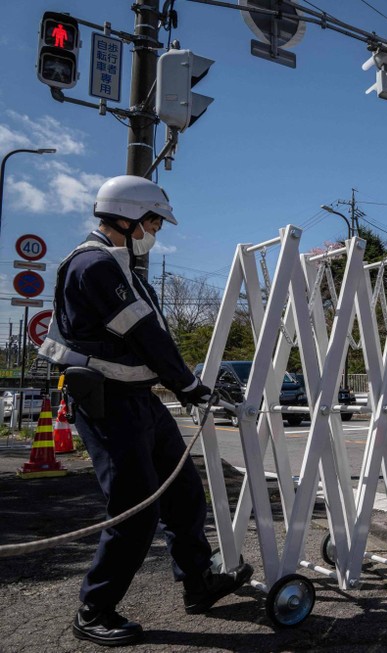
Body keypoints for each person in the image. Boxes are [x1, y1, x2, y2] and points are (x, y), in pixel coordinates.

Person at [39, 175, 253, 647]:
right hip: (109, 405)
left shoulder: (120, 267)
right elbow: (145, 337)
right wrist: (190, 385)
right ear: (128, 216)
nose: (155, 229)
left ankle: (199, 583)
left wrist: (183, 382)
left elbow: (152, 340)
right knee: (134, 510)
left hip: (139, 400)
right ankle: (94, 610)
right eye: (153, 220)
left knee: (183, 494)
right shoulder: (93, 265)